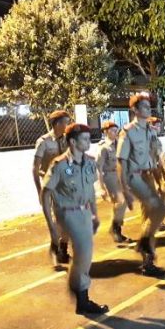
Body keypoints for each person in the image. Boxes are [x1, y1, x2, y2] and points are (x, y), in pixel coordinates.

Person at [41, 123, 108, 315]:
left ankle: (78, 291)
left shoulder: (90, 162)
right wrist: (52, 226)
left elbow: (90, 191)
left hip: (84, 211)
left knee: (85, 255)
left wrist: (95, 214)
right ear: (72, 142)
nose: (89, 142)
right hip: (67, 213)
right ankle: (81, 297)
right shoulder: (59, 165)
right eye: (84, 139)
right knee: (84, 254)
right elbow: (46, 194)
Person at [117, 92, 165, 277]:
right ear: (135, 110)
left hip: (148, 176)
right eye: (145, 106)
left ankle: (148, 262)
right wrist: (124, 189)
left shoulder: (150, 131)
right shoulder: (128, 131)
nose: (149, 109)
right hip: (134, 176)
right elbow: (121, 161)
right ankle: (143, 244)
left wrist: (160, 178)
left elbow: (155, 157)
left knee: (149, 218)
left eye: (149, 106)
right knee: (160, 208)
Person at [33, 110, 71, 264]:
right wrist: (39, 191)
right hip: (50, 184)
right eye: (65, 122)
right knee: (58, 218)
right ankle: (57, 248)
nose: (67, 125)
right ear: (57, 124)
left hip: (65, 183)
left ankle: (62, 248)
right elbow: (35, 168)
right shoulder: (43, 141)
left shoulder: (68, 140)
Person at [96, 121, 131, 243]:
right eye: (112, 130)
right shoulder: (103, 147)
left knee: (123, 202)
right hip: (109, 176)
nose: (115, 132)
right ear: (105, 132)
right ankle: (116, 229)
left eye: (116, 130)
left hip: (120, 175)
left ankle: (115, 227)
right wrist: (101, 187)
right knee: (121, 201)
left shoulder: (119, 144)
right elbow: (99, 168)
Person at [147, 116, 165, 232]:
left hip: (156, 170)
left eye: (159, 124)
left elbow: (158, 157)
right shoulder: (147, 140)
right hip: (149, 171)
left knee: (162, 194)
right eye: (156, 124)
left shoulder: (156, 139)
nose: (159, 126)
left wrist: (164, 172)